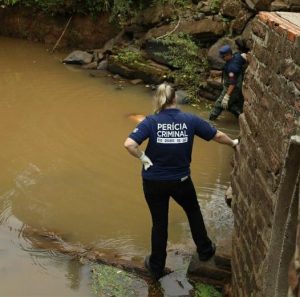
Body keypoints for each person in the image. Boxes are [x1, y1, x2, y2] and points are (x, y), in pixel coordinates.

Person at [124, 83, 239, 281]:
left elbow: (129, 144)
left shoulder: (150, 122)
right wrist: (234, 143)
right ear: (175, 99)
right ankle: (204, 250)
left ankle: (156, 266)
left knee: (159, 223)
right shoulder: (189, 119)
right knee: (193, 211)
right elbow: (217, 135)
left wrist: (143, 158)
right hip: (181, 180)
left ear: (158, 100)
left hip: (153, 181)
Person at [209, 44, 248, 121]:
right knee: (228, 105)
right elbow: (245, 57)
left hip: (232, 88)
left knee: (219, 104)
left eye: (223, 57)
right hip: (233, 86)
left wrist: (227, 96)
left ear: (228, 55)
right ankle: (240, 115)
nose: (223, 58)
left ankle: (211, 122)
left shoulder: (232, 67)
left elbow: (232, 83)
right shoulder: (237, 56)